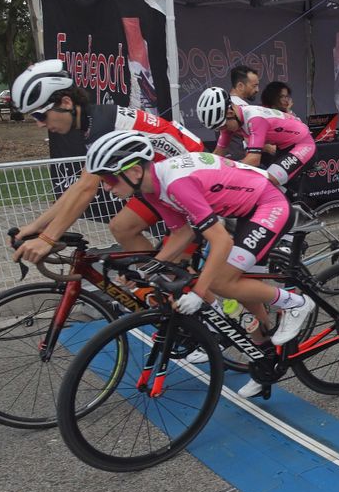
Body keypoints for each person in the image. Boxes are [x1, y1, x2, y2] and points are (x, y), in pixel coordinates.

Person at [85, 131, 312, 399]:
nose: (107, 187)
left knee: (220, 281)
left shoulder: (176, 184)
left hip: (267, 204)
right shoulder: (153, 188)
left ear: (134, 171)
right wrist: (148, 269)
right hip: (244, 210)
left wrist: (197, 292)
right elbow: (182, 233)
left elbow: (220, 241)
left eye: (109, 178)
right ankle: (263, 365)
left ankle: (296, 304)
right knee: (234, 289)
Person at [10, 59, 205, 263]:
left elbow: (86, 189)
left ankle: (188, 289)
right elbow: (79, 187)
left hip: (192, 177)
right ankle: (156, 285)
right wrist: (37, 226)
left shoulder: (101, 128)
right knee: (122, 228)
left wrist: (47, 239)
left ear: (66, 103)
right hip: (163, 180)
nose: (40, 124)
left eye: (41, 115)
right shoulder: (93, 123)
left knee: (178, 265)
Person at [196, 86, 316, 186]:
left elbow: (253, 160)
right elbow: (218, 153)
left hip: (303, 144)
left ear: (230, 113)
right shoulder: (231, 122)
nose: (222, 130)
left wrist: (227, 170)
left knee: (267, 183)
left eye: (222, 126)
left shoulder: (255, 119)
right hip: (284, 147)